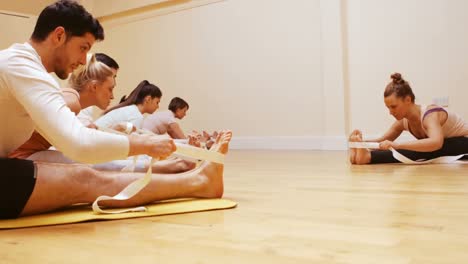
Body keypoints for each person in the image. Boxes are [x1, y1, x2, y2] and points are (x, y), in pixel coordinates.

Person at [0, 0, 229, 219]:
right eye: (83, 48)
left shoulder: (23, 67)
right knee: (83, 178)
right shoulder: (21, 65)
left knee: (85, 173)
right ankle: (199, 182)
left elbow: (72, 137)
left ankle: (193, 176)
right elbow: (79, 144)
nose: (83, 59)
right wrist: (146, 145)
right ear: (59, 36)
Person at [9, 54, 195, 173]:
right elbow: (78, 145)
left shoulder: (75, 104)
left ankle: (173, 164)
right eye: (109, 89)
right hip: (23, 157)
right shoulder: (72, 102)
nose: (113, 96)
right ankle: (173, 167)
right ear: (94, 87)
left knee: (102, 160)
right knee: (95, 164)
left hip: (33, 152)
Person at [349, 73, 468, 164]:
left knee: (429, 148)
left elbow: (436, 143)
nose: (390, 112)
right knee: (425, 148)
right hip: (448, 147)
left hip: (464, 142)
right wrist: (361, 143)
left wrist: (398, 145)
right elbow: (383, 141)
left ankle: (369, 158)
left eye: (394, 107)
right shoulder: (402, 122)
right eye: (388, 108)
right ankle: (366, 156)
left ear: (408, 100)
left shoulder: (429, 115)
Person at [94, 80, 161, 131]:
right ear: (148, 99)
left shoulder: (130, 109)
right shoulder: (136, 116)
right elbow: (130, 142)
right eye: (157, 102)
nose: (158, 107)